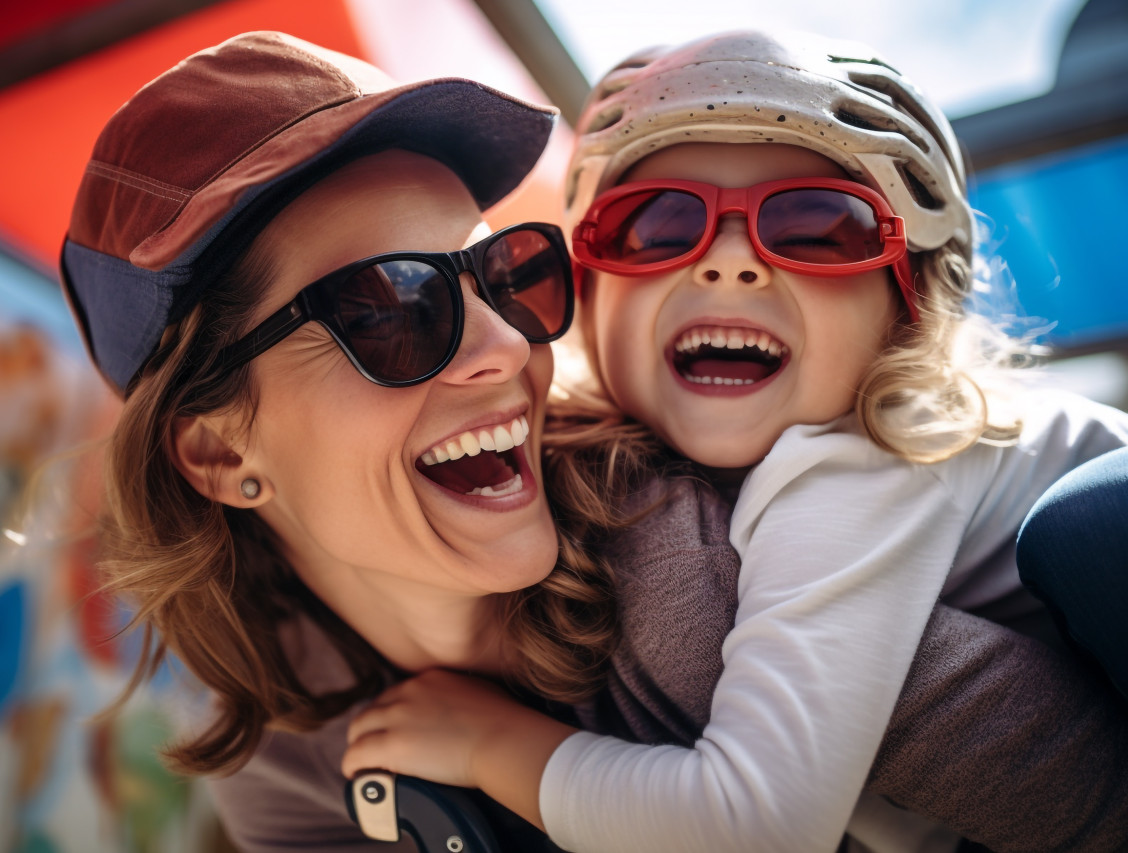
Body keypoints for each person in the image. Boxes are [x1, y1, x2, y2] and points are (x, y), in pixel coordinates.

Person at [60, 31, 1128, 853]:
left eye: (502, 276)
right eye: (388, 306)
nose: (505, 347)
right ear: (214, 454)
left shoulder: (705, 569)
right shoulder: (284, 755)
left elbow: (1091, 804)